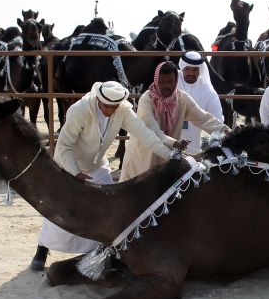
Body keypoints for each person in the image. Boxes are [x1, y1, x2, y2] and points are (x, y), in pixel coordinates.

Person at [32, 80, 177, 270]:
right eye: (106, 106)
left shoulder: (123, 110)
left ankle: (100, 252)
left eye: (114, 107)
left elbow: (145, 135)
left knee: (108, 208)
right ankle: (42, 251)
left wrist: (171, 156)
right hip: (70, 166)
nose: (109, 110)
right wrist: (75, 172)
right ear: (98, 99)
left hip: (98, 167)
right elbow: (63, 146)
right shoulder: (79, 110)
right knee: (61, 210)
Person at [119, 61, 230, 181]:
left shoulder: (182, 99)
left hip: (169, 157)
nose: (166, 86)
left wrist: (226, 130)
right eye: (162, 82)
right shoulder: (146, 100)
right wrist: (174, 143)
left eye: (170, 82)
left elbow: (204, 119)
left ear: (176, 81)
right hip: (143, 156)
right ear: (156, 81)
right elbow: (154, 131)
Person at [177, 51, 225, 153]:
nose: (191, 73)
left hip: (193, 148)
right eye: (187, 69)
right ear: (182, 67)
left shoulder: (207, 91)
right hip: (168, 141)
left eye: (195, 70)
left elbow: (217, 120)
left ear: (200, 70)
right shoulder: (172, 80)